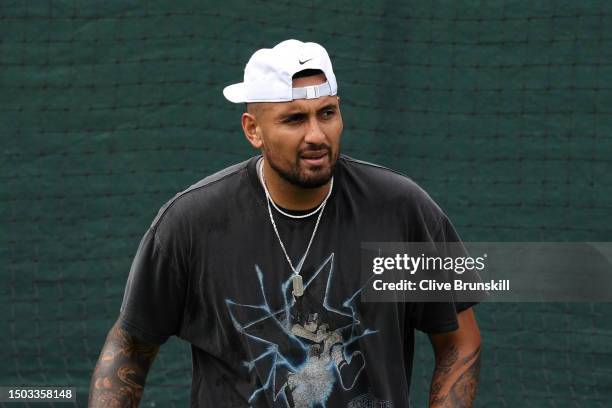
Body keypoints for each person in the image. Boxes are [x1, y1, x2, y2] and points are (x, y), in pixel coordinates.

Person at [88, 39, 481, 408]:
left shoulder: (401, 209)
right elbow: (128, 347)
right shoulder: (190, 224)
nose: (316, 134)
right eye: (294, 119)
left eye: (327, 113)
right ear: (253, 130)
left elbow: (460, 342)